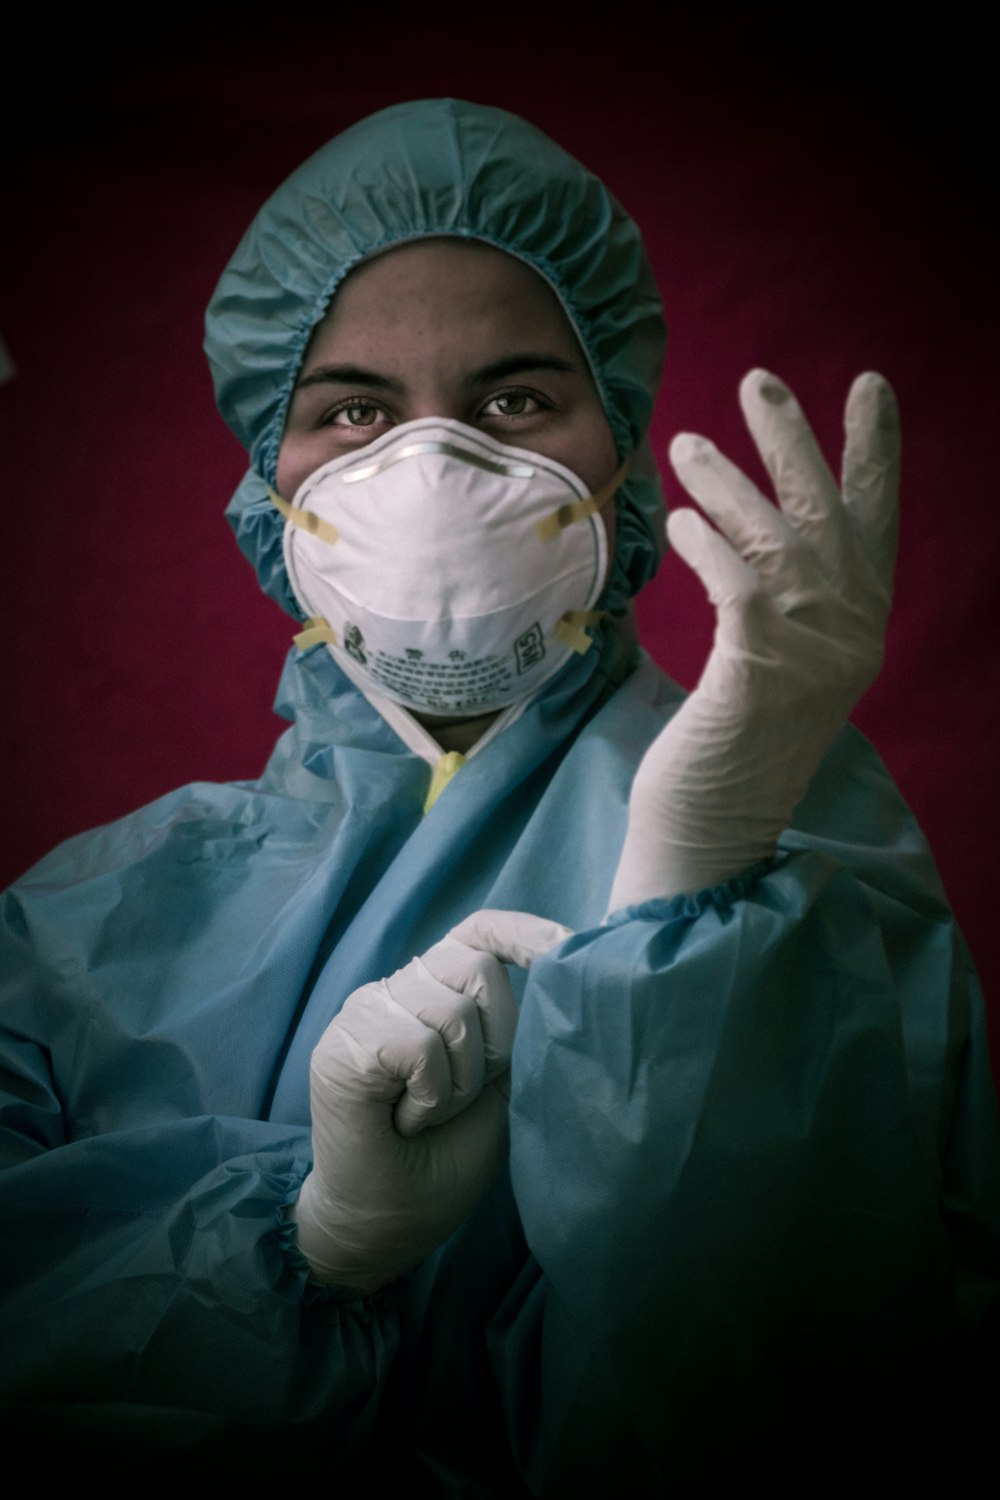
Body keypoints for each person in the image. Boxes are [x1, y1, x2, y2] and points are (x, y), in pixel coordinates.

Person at [1, 98, 997, 1490]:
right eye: (350, 410)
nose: (431, 471)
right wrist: (319, 1238)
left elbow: (838, 1390)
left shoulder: (794, 833)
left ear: (621, 456)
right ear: (266, 482)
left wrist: (694, 904)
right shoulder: (71, 930)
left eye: (515, 401)